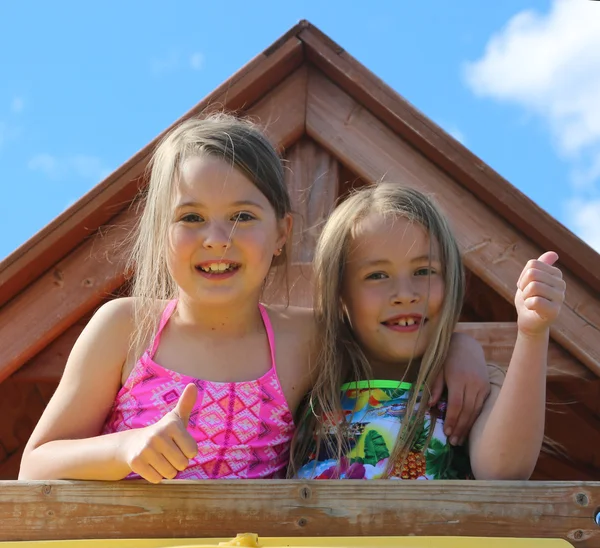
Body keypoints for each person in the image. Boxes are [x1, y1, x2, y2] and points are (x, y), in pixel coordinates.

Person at [19, 116, 492, 483]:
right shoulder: (125, 327)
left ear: (282, 232)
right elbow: (36, 464)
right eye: (191, 218)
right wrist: (125, 448)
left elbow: (396, 331)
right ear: (160, 231)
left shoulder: (306, 338)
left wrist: (456, 347)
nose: (218, 238)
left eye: (243, 216)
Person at [291, 184, 565, 481]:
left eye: (424, 271)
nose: (405, 294)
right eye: (377, 275)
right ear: (339, 292)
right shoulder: (307, 380)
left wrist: (532, 333)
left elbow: (504, 471)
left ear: (451, 281)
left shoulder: (472, 389)